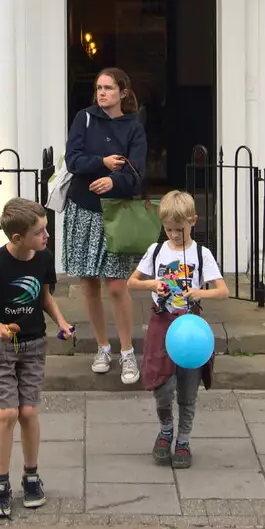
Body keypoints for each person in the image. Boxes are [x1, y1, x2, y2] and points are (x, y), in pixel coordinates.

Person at [0, 197, 76, 518]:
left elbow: (44, 298)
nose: (47, 236)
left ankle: (31, 475)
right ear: (18, 238)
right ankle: (0, 482)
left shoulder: (43, 259)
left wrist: (62, 322)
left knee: (28, 411)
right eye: (41, 231)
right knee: (7, 414)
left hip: (33, 343)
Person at [126, 189, 228, 469]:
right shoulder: (156, 251)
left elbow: (222, 291)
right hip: (162, 323)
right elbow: (132, 282)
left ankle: (183, 439)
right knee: (161, 384)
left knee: (187, 389)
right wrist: (152, 284)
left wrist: (198, 293)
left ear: (193, 221)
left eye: (179, 230)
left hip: (191, 329)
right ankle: (166, 430)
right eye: (168, 229)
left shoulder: (201, 253)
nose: (173, 235)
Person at [62, 67, 149, 385]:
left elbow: (137, 172)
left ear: (123, 92)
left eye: (109, 88)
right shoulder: (84, 118)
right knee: (89, 283)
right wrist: (103, 162)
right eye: (99, 87)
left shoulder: (133, 128)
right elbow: (73, 160)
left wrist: (113, 180)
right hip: (84, 211)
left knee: (116, 285)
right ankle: (102, 347)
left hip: (116, 213)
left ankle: (127, 352)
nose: (102, 93)